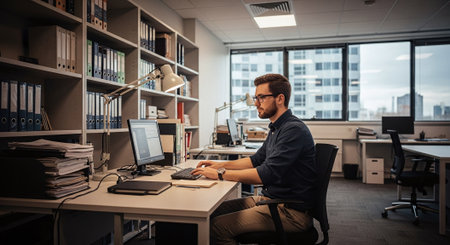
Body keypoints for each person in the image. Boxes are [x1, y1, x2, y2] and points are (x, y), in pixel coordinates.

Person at [191, 73, 317, 244]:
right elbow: (256, 160)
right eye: (257, 98)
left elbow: (265, 174)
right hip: (273, 201)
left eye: (261, 98)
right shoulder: (277, 127)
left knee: (217, 226)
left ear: (280, 99)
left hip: (291, 212)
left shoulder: (292, 130)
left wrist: (221, 174)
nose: (256, 103)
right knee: (212, 211)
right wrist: (218, 165)